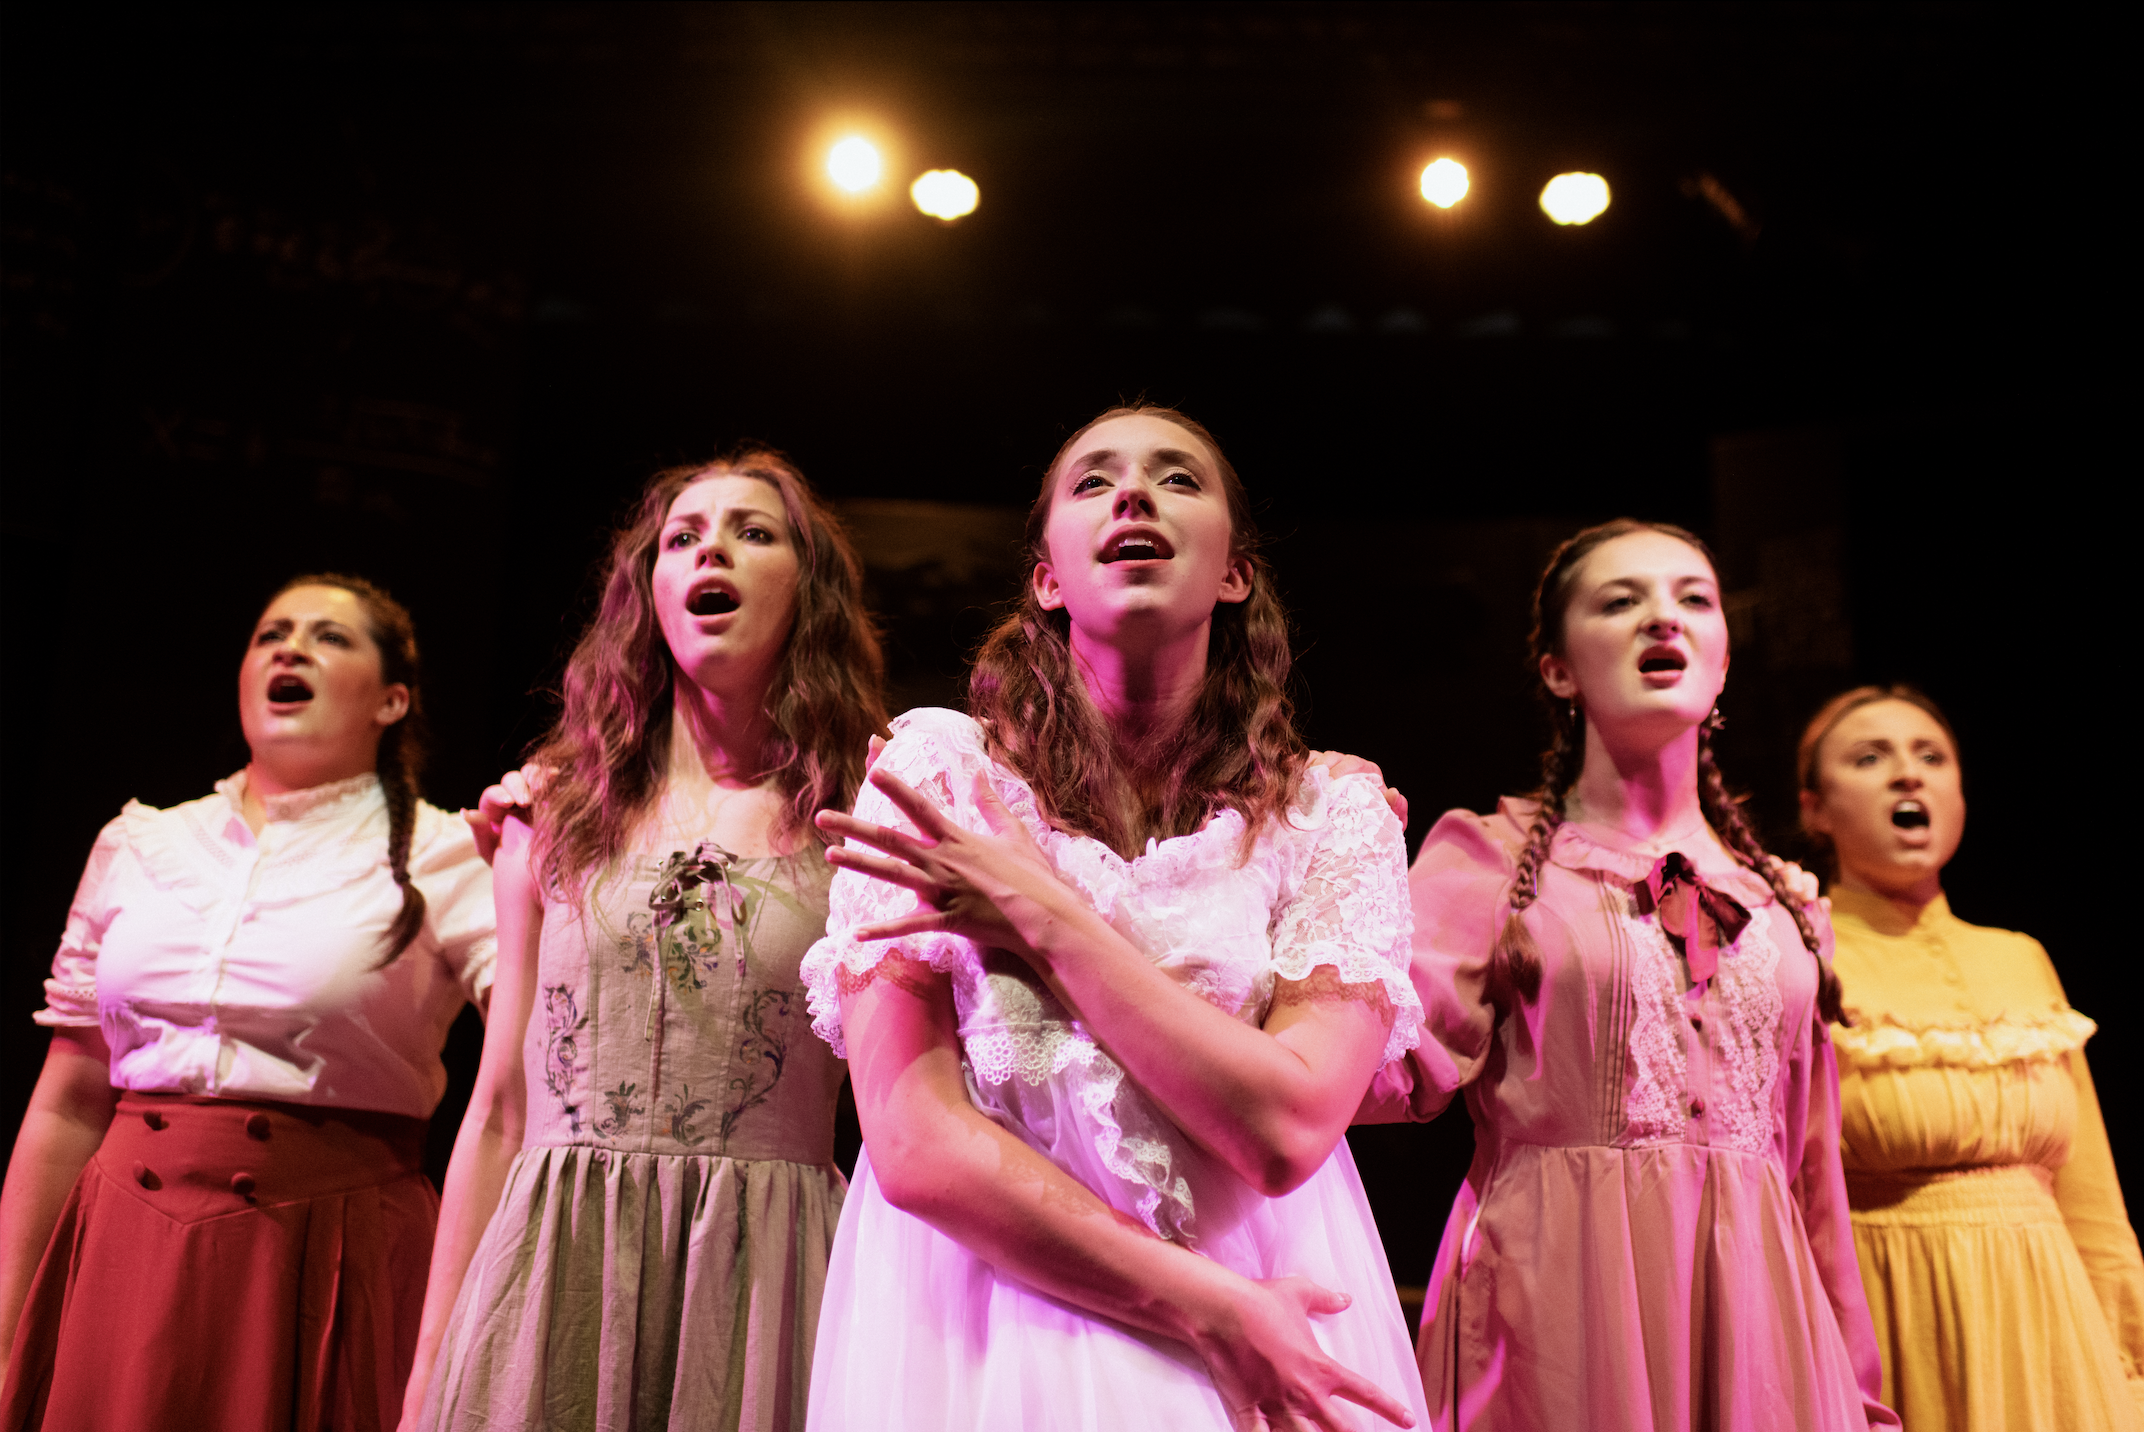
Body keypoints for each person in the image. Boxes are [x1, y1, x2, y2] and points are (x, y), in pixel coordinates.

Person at [800, 405, 1430, 1432]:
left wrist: (1034, 912)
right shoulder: (938, 777)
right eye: (1092, 483)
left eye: (1177, 478)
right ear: (1046, 578)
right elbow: (912, 1138)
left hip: (1269, 1310)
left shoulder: (1331, 813)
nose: (1132, 493)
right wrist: (1205, 1307)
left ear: (1233, 571)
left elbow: (1284, 1126)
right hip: (992, 1330)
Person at [1359, 519, 1896, 1430]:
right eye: (1621, 601)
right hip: (1558, 1313)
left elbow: (1811, 1176)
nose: (1663, 619)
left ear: (1724, 660)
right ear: (1558, 669)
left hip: (1762, 1329)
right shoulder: (1484, 862)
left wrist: (1860, 1388)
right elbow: (1370, 1079)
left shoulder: (1787, 904)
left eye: (1694, 599)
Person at [406, 450, 887, 1432]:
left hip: (765, 1276)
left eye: (755, 532)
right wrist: (427, 1373)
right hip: (559, 1266)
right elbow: (497, 1108)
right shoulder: (551, 814)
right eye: (683, 536)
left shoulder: (858, 816)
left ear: (810, 593)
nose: (713, 544)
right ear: (649, 594)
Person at [0, 574, 496, 1431]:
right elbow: (69, 1099)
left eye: (329, 637)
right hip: (120, 1241)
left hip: (325, 1250)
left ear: (391, 700)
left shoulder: (452, 854)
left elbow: (535, 1075)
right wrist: (8, 1327)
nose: (289, 648)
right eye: (272, 633)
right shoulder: (141, 842)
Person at [1798, 685, 2144, 1430]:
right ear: (1815, 810)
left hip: (2052, 1329)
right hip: (1893, 1323)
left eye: (1931, 757)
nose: (1907, 775)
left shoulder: (2020, 958)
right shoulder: (1796, 953)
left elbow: (2091, 1198)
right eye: (1870, 758)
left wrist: (2131, 1364)